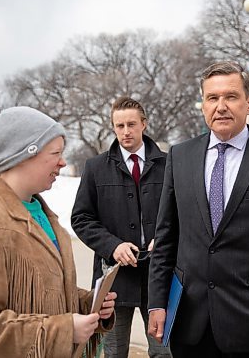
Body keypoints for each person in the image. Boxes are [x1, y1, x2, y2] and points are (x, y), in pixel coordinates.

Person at [148, 61, 249, 358]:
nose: (221, 106)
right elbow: (166, 236)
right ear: (202, 106)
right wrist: (157, 302)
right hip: (190, 324)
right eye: (212, 98)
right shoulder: (179, 157)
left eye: (231, 97)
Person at [0, 106, 116, 357]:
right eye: (56, 153)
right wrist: (63, 331)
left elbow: (45, 294)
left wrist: (88, 304)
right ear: (25, 155)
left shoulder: (42, 213)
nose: (63, 161)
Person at [71, 96, 170, 358]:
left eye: (131, 124)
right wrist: (113, 246)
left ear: (144, 124)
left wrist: (164, 238)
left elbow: (183, 214)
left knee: (165, 352)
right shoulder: (95, 168)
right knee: (114, 352)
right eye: (119, 126)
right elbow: (81, 218)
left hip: (159, 275)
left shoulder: (169, 164)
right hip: (114, 277)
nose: (125, 132)